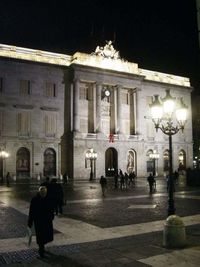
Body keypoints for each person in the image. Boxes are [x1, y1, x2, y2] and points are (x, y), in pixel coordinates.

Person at [27, 186, 54, 258]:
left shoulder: (48, 199)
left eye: (45, 192)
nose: (44, 193)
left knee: (45, 235)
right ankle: (41, 250)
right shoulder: (34, 200)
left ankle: (42, 247)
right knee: (40, 236)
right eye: (42, 192)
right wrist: (30, 222)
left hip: (46, 221)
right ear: (39, 192)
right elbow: (31, 212)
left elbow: (51, 209)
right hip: (38, 221)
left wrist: (51, 217)